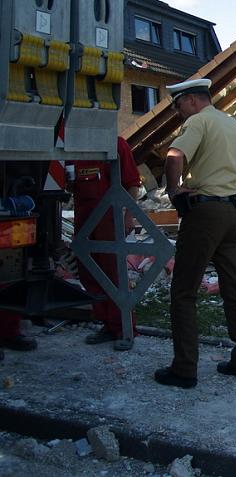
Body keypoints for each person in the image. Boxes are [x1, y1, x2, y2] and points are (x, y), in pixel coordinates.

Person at [154, 78, 236, 389]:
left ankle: (184, 368)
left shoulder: (198, 122)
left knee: (184, 292)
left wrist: (174, 191)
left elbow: (174, 157)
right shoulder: (231, 125)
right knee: (234, 288)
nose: (178, 113)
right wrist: (233, 192)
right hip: (232, 214)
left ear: (189, 100)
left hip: (204, 215)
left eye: (178, 106)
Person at [69, 136, 141, 350]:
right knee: (89, 272)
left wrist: (128, 215)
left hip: (108, 218)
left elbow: (132, 183)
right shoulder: (73, 144)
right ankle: (107, 324)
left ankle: (124, 327)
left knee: (113, 272)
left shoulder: (115, 143)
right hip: (84, 217)